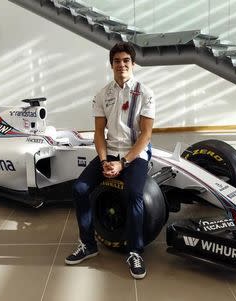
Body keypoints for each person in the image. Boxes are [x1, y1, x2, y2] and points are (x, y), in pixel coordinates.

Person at [65, 42, 155, 279]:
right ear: (111, 65)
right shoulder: (102, 94)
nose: (121, 65)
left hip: (134, 155)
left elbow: (146, 135)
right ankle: (88, 244)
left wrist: (123, 163)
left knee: (134, 194)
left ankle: (134, 251)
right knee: (79, 188)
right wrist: (105, 160)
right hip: (110, 153)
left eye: (126, 60)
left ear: (133, 64)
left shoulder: (145, 93)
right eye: (117, 61)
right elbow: (98, 133)